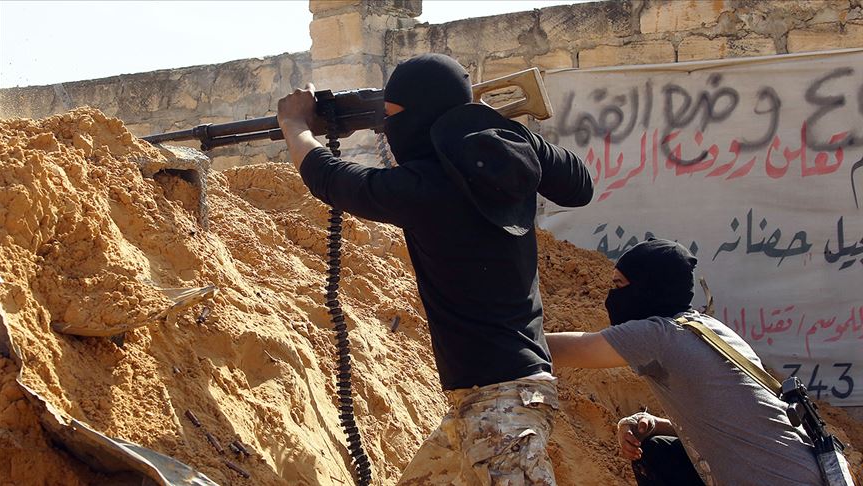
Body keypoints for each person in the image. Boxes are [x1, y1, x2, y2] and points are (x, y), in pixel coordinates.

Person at [276, 53, 593, 485]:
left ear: (419, 118)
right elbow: (579, 185)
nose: (387, 128)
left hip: (501, 406)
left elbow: (335, 179)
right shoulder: (501, 161)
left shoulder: (427, 187)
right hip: (489, 398)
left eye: (391, 117)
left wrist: (294, 125)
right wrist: (488, 125)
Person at [545, 238, 823, 486]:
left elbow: (561, 349)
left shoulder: (658, 335)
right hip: (807, 472)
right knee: (658, 450)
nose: (612, 295)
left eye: (619, 285)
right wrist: (654, 423)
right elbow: (736, 429)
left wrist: (517, 324)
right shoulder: (710, 329)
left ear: (647, 288)